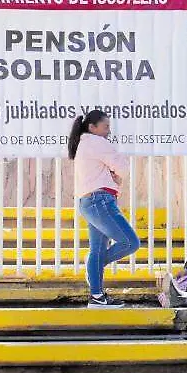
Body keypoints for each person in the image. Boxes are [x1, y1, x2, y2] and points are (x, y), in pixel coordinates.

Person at [69, 110, 141, 308]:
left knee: (97, 249)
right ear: (93, 128)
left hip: (90, 202)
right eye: (106, 127)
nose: (109, 131)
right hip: (100, 201)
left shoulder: (84, 144)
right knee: (130, 242)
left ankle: (97, 297)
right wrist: (118, 174)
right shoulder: (96, 142)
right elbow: (123, 168)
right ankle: (95, 266)